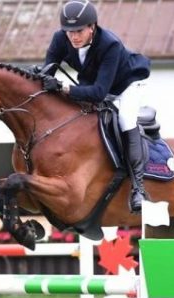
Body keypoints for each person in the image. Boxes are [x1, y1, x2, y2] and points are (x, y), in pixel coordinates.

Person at [40, 0, 152, 213]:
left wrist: (63, 87)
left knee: (125, 119)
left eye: (79, 31)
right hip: (93, 82)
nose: (73, 36)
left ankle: (138, 188)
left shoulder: (110, 45)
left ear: (92, 27)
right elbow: (47, 73)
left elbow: (100, 93)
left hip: (127, 84)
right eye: (69, 31)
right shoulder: (59, 39)